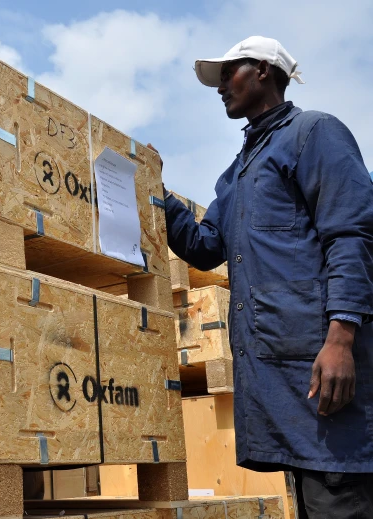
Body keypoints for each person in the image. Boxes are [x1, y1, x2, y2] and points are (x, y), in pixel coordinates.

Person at [163, 36, 373, 518]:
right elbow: (204, 245)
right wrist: (156, 196)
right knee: (310, 496)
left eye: (228, 73)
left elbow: (352, 235)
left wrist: (341, 338)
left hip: (322, 369)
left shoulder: (314, 133)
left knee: (339, 495)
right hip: (279, 381)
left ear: (262, 70)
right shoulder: (237, 174)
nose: (219, 86)